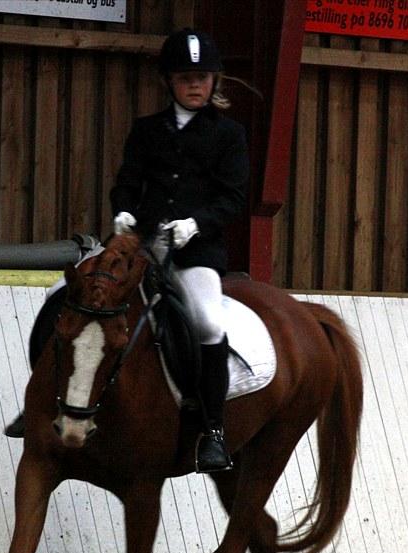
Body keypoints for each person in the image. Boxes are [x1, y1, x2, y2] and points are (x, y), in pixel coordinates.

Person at [110, 29, 249, 472]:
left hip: (195, 252)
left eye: (204, 77)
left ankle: (212, 431)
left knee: (208, 323)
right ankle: (43, 401)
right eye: (187, 77)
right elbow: (128, 183)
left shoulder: (228, 135)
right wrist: (124, 214)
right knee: (73, 292)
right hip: (143, 247)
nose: (196, 85)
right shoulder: (146, 130)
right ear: (169, 81)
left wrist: (196, 224)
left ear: (214, 82)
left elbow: (233, 197)